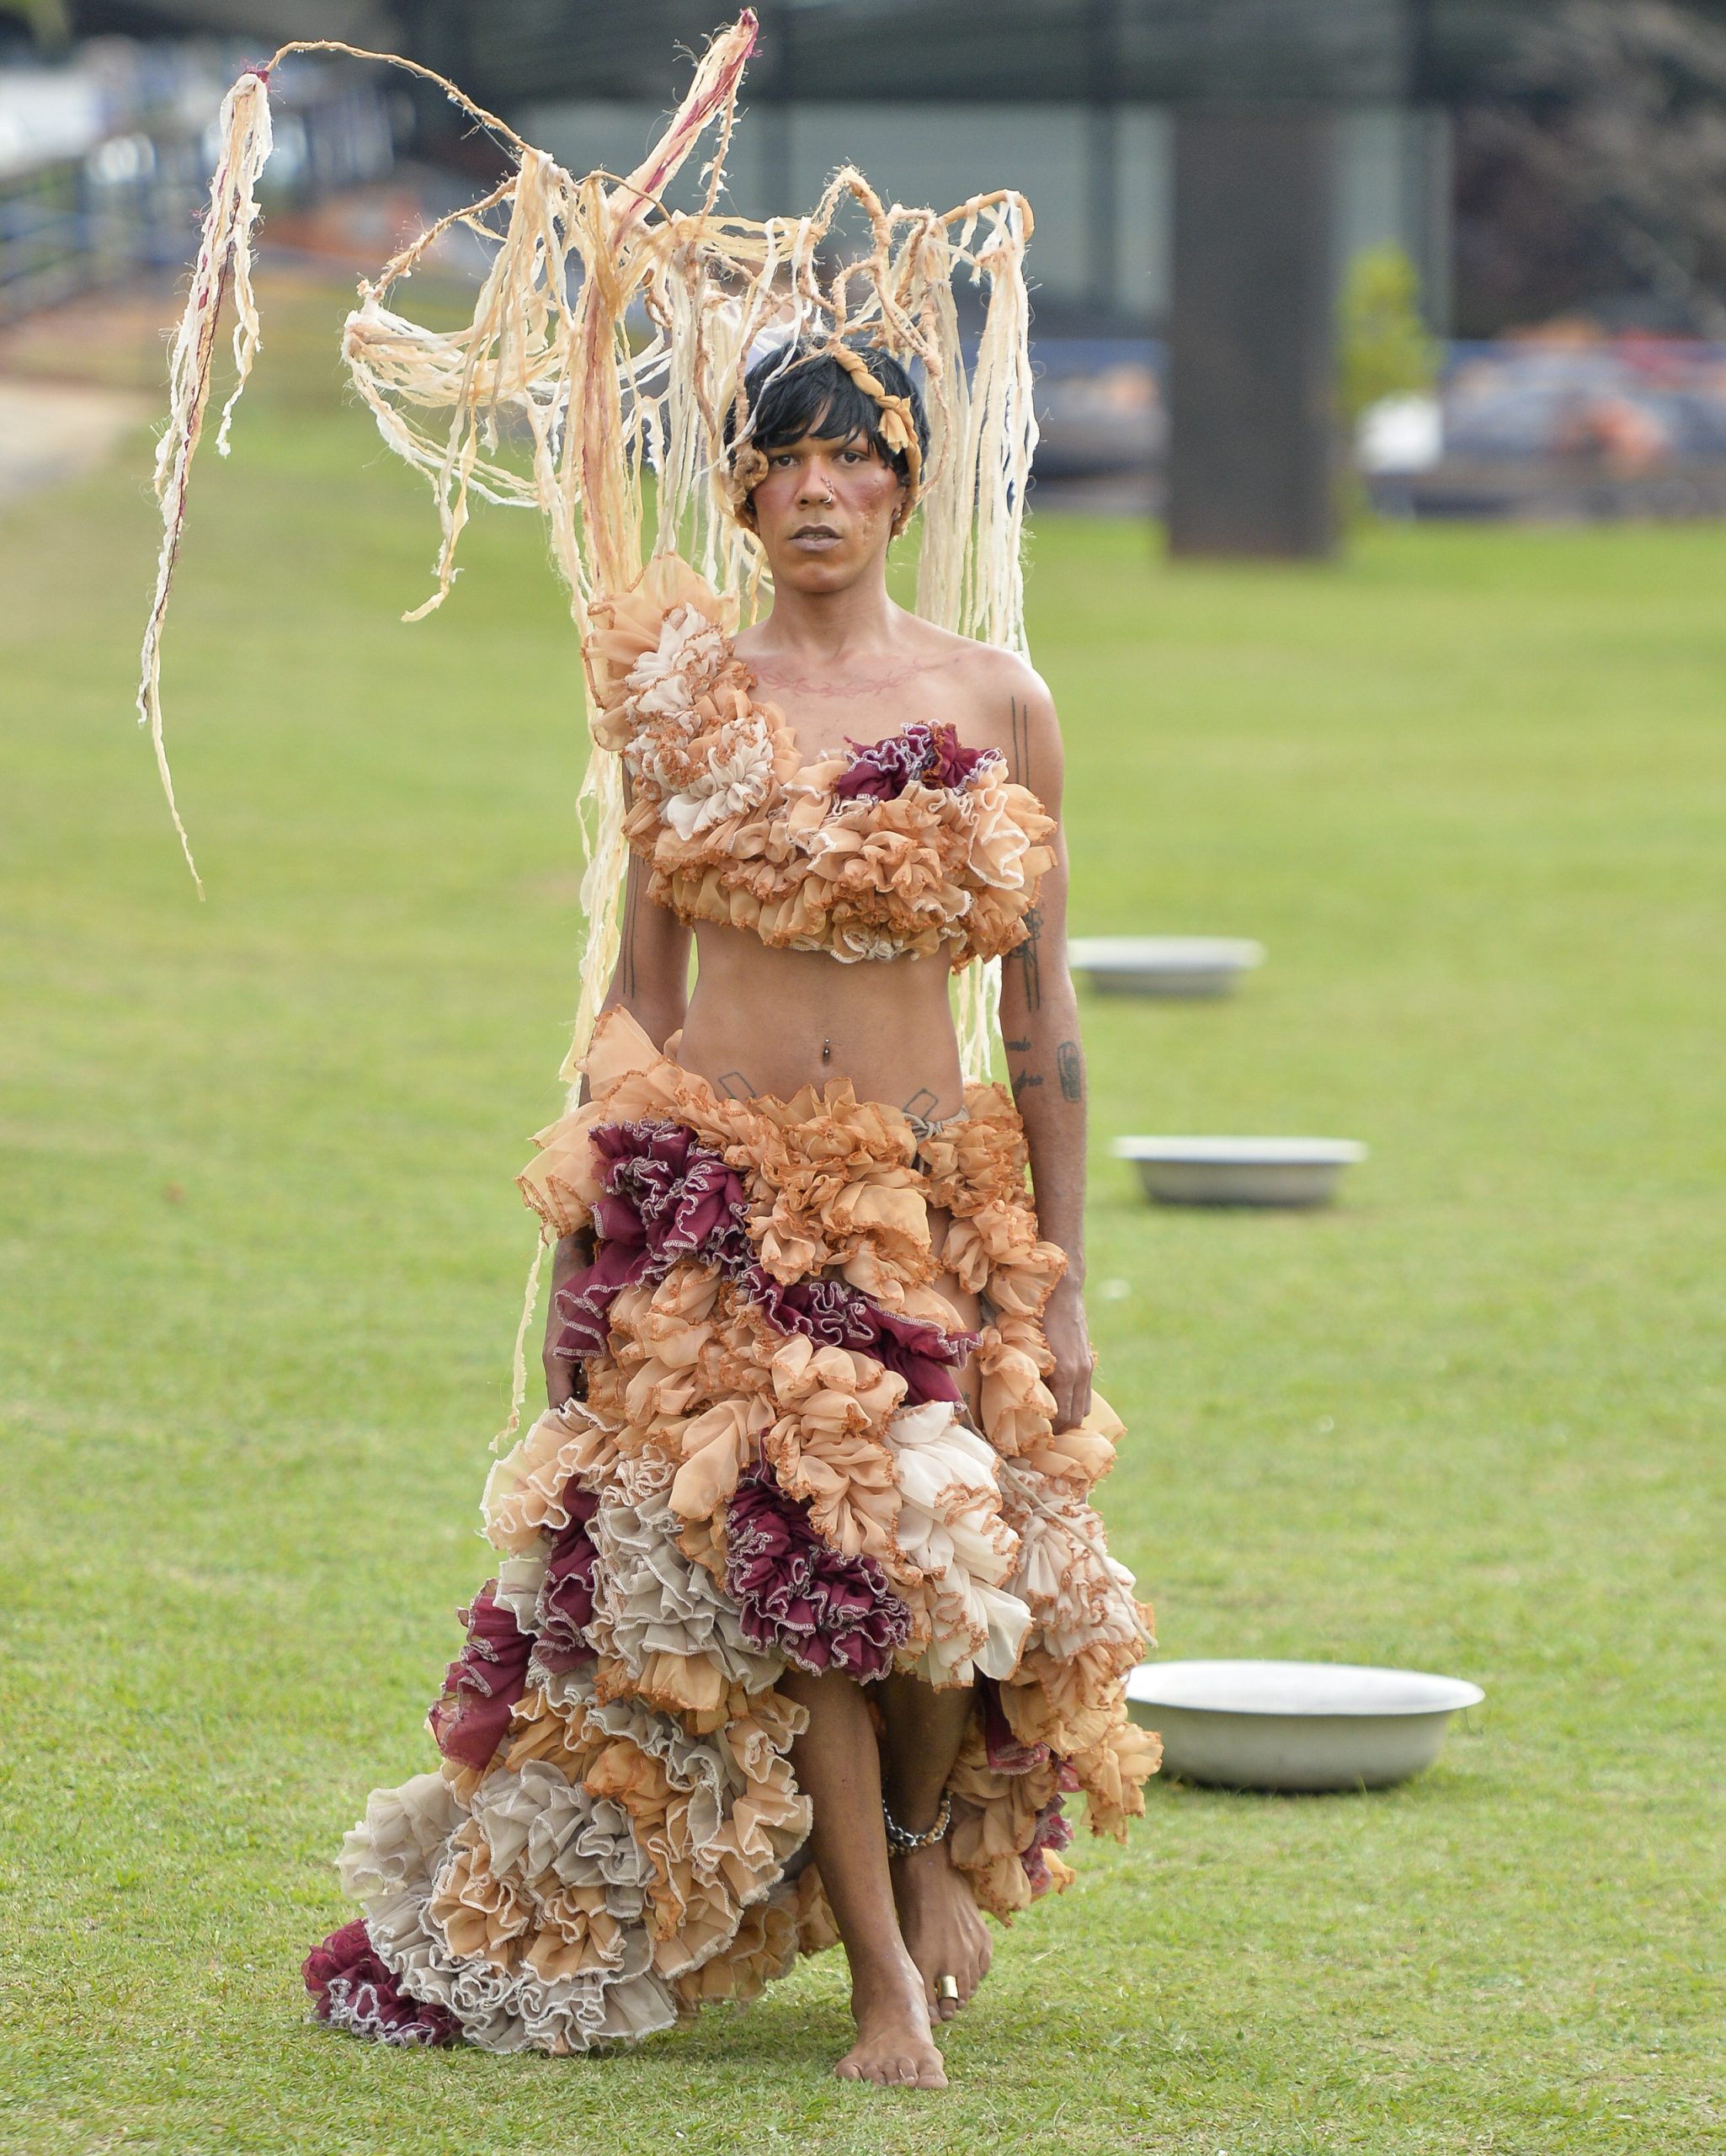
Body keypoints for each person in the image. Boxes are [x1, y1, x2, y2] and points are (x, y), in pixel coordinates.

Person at [141, 14, 1156, 2095]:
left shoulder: (995, 695)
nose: (817, 493)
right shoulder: (678, 695)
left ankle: (939, 1868)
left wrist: (1062, 1286)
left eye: (855, 462)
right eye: (781, 463)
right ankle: (882, 1966)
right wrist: (612, 1114)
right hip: (714, 1185)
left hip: (919, 1180)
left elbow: (1041, 1017)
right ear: (739, 483)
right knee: (789, 1592)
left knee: (959, 1579)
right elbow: (634, 963)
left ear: (901, 481)